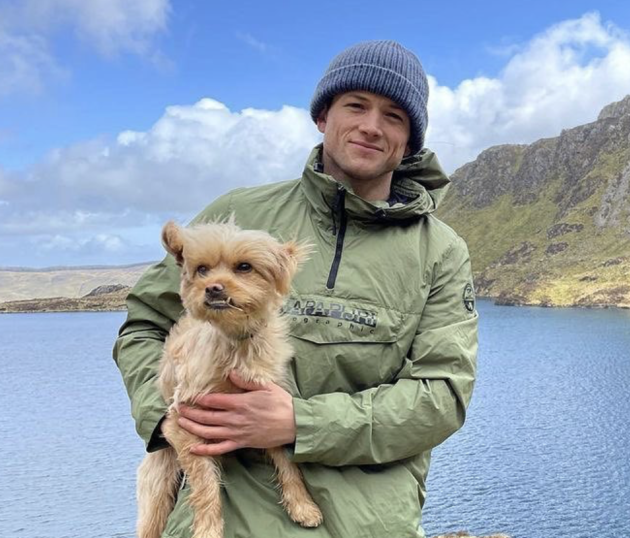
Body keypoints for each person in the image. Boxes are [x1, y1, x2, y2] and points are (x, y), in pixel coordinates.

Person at [113, 40, 478, 537]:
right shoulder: (240, 215)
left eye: (394, 115)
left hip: (362, 524)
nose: (371, 125)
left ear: (410, 139)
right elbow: (144, 325)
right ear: (323, 116)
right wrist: (167, 420)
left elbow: (440, 397)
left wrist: (300, 423)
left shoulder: (440, 251)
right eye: (355, 105)